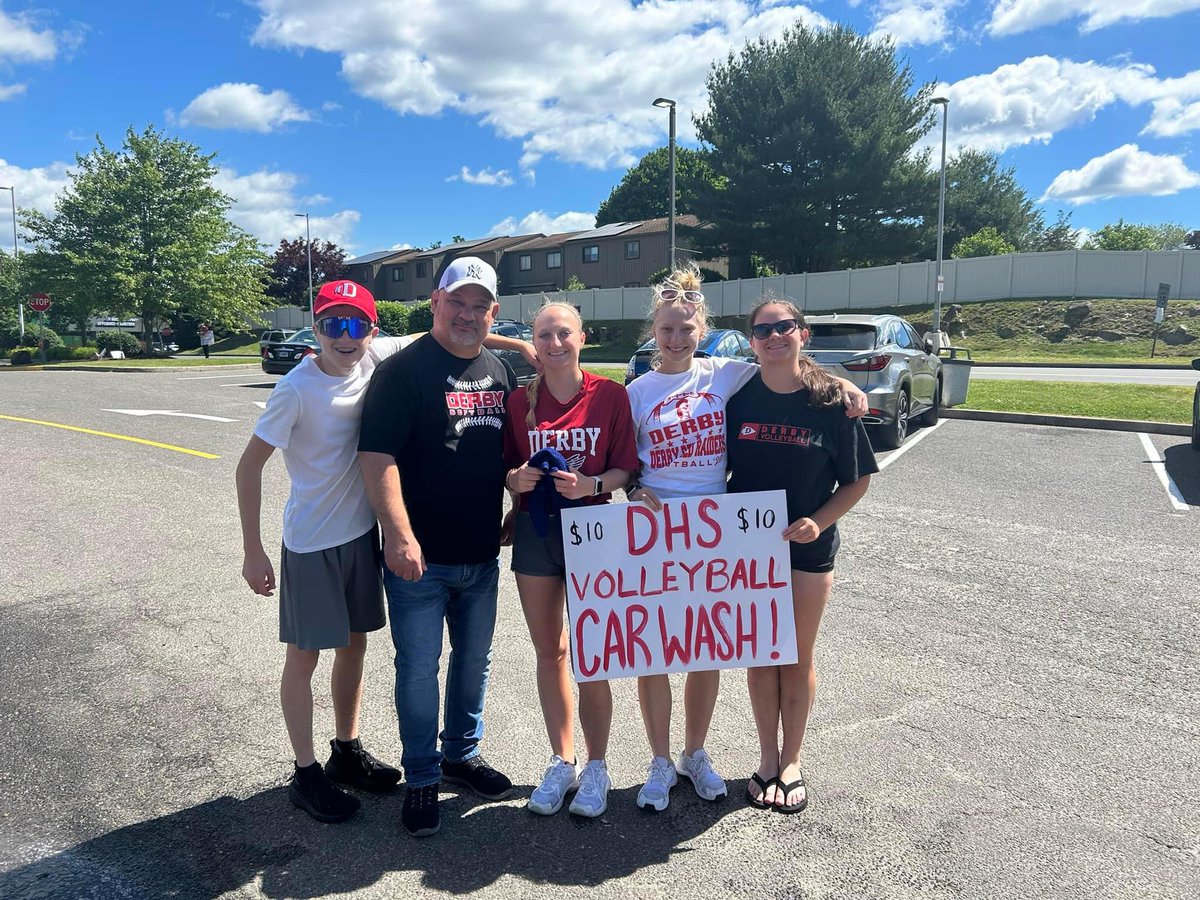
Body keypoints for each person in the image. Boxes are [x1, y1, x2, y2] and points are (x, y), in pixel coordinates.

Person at [623, 265, 868, 812]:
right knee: (657, 652)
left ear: (703, 329)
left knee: (708, 649)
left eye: (687, 328)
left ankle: (697, 752)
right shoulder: (636, 392)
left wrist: (846, 384)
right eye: (666, 329)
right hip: (661, 535)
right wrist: (637, 488)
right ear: (653, 331)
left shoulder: (726, 374)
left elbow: (792, 367)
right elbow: (623, 461)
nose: (676, 338)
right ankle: (660, 762)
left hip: (722, 539)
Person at [357, 257, 524, 838]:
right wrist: (399, 535)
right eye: (458, 302)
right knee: (419, 669)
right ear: (435, 302)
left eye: (480, 306)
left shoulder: (500, 371)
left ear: (494, 313)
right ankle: (423, 775)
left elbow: (505, 455)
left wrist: (516, 504)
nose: (468, 314)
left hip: (480, 553)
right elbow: (376, 458)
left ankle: (460, 754)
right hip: (418, 561)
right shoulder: (403, 372)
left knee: (472, 663)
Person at [234, 280, 406, 824]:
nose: (346, 335)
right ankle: (305, 775)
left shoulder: (373, 359)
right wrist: (253, 551)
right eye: (333, 324)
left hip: (360, 536)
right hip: (310, 543)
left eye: (356, 325)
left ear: (372, 330)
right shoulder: (296, 388)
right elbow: (248, 467)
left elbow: (438, 331)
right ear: (317, 329)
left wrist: (521, 347)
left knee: (354, 647)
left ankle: (345, 751)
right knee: (304, 658)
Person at [725, 297, 877, 814]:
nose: (774, 336)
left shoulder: (830, 402)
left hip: (807, 551)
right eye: (762, 329)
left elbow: (857, 481)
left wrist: (820, 521)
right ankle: (766, 758)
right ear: (752, 341)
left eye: (784, 327)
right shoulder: (738, 398)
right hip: (747, 551)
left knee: (795, 656)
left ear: (803, 334)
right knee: (760, 657)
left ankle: (792, 761)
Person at [502, 301, 640, 818]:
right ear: (533, 343)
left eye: (564, 334)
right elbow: (505, 469)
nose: (555, 343)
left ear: (582, 337)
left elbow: (626, 467)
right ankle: (563, 759)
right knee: (549, 652)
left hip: (594, 534)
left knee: (593, 656)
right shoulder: (519, 403)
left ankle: (598, 765)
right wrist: (514, 480)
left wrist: (593, 484)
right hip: (538, 534)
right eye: (544, 335)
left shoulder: (610, 396)